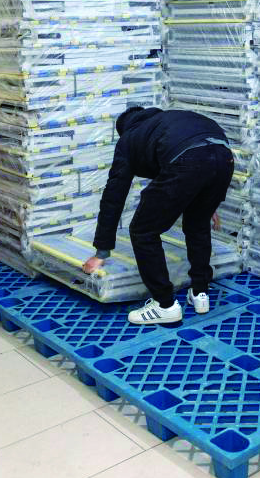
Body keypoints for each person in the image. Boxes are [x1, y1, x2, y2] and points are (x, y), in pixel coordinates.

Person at [84, 107, 233, 324]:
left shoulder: (129, 139)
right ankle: (200, 293)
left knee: (143, 231)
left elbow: (113, 197)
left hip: (189, 159)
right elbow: (206, 155)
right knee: (198, 224)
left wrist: (102, 251)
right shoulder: (167, 121)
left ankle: (165, 305)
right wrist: (208, 202)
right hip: (224, 156)